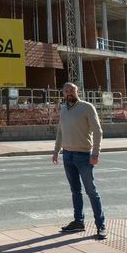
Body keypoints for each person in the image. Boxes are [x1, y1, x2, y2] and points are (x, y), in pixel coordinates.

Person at [52, 82, 107, 239]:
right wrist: (56, 151)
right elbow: (60, 132)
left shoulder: (87, 107)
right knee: (75, 191)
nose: (69, 92)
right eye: (66, 90)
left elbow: (98, 131)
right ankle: (78, 222)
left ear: (77, 91)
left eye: (72, 90)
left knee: (91, 191)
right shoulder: (63, 109)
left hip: (84, 155)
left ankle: (101, 225)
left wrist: (95, 153)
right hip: (67, 155)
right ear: (63, 93)